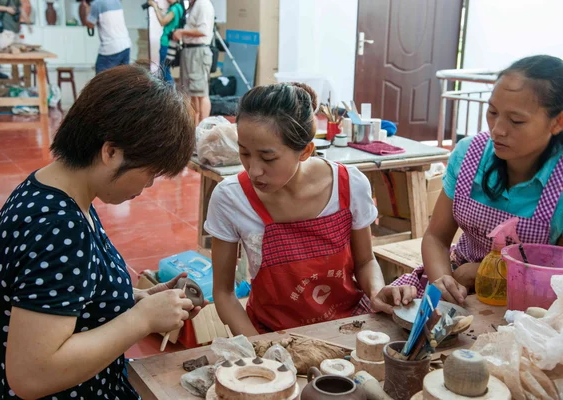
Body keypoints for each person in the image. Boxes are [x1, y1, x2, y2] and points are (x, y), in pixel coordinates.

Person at [0, 65, 201, 399]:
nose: (148, 185)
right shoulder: (56, 226)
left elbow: (67, 301)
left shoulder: (57, 189)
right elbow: (31, 375)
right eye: (150, 172)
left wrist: (140, 301)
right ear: (110, 152)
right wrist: (140, 321)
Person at [205, 83, 417, 336]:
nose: (253, 170)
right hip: (272, 333)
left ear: (305, 151)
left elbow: (365, 261)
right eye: (244, 153)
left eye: (268, 158)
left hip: (350, 327)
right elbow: (224, 293)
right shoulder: (230, 198)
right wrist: (258, 346)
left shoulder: (349, 185)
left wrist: (376, 292)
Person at [392, 55, 563, 304]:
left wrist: (488, 274)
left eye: (516, 121)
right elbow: (436, 237)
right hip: (457, 281)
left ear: (558, 122)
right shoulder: (469, 154)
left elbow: (558, 278)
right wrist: (444, 281)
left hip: (531, 303)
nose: (498, 129)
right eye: (492, 112)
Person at [173, 0, 214, 124]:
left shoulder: (202, 4)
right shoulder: (193, 4)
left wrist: (182, 32)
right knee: (191, 92)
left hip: (198, 52)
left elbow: (203, 30)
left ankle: (203, 127)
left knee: (201, 92)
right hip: (189, 50)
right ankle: (194, 126)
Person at [82, 0, 132, 74]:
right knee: (122, 79)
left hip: (111, 47)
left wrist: (86, 8)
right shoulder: (116, 1)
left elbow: (90, 24)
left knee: (101, 80)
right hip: (126, 45)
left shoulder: (97, 4)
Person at [148, 0, 184, 84]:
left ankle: (171, 94)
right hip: (171, 42)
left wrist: (155, 7)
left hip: (167, 43)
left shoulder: (175, 8)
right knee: (165, 69)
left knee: (164, 71)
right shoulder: (178, 7)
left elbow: (163, 22)